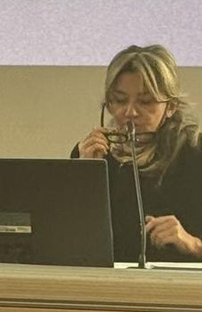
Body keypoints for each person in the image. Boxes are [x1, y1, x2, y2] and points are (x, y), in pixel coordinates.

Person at [73, 44, 202, 261]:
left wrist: (192, 243)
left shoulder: (195, 153)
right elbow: (68, 237)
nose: (130, 112)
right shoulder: (94, 153)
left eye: (145, 101)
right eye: (120, 100)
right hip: (108, 280)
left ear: (171, 106)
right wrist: (85, 174)